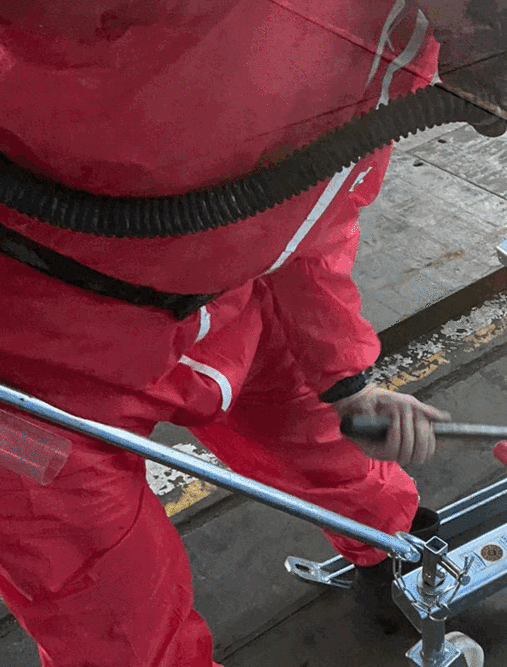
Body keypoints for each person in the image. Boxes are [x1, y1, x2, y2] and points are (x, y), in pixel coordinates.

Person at [0, 1, 465, 664]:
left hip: (224, 299)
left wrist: (348, 378)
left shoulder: (405, 38)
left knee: (331, 440)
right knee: (108, 610)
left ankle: (397, 556)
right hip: (29, 355)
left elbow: (313, 213)